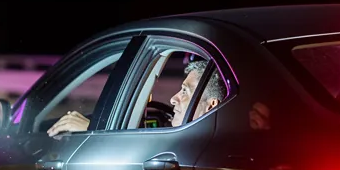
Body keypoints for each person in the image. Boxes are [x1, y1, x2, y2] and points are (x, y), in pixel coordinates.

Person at [46, 58, 225, 136]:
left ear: (211, 106)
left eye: (185, 91)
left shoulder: (188, 145)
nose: (173, 99)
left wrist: (92, 131)